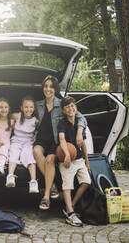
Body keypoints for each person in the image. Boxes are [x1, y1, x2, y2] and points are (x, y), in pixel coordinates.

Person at [33, 75, 87, 210]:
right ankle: (52, 186)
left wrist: (80, 131)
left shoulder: (61, 103)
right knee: (36, 151)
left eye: (51, 86)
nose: (48, 89)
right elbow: (25, 114)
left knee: (50, 159)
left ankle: (46, 196)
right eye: (45, 86)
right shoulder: (38, 104)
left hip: (55, 142)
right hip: (40, 139)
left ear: (55, 89)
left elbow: (80, 116)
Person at [58, 96, 91, 227]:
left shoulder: (80, 123)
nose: (70, 108)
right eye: (67, 107)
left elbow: (83, 144)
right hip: (67, 160)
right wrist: (66, 155)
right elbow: (61, 139)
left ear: (75, 107)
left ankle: (71, 205)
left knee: (86, 181)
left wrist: (87, 162)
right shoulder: (62, 123)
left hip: (80, 159)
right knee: (67, 185)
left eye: (72, 106)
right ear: (63, 111)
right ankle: (71, 214)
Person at [6, 96, 40, 193]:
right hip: (16, 140)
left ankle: (33, 181)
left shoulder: (35, 120)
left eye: (31, 107)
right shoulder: (16, 116)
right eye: (26, 107)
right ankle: (10, 176)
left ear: (34, 108)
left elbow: (40, 130)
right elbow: (6, 118)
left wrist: (36, 137)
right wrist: (10, 126)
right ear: (21, 108)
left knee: (30, 156)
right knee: (14, 152)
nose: (28, 109)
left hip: (28, 142)